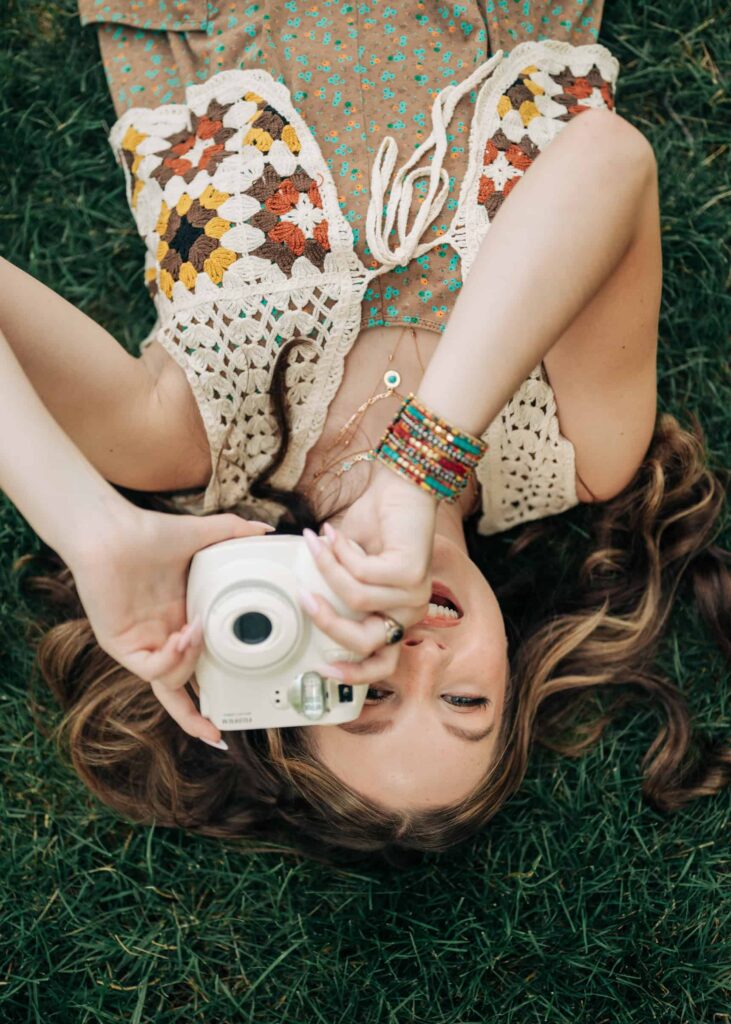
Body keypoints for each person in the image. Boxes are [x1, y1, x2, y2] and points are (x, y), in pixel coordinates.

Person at [2, 3, 728, 860]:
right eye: (465, 703)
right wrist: (418, 471)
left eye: (369, 696)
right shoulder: (577, 452)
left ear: (282, 665)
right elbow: (606, 156)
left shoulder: (190, 439)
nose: (419, 658)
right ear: (511, 671)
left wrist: (92, 532)